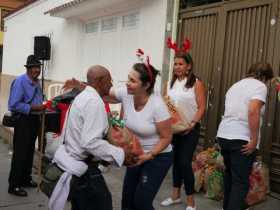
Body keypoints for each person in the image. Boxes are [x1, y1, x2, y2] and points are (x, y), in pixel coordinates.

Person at [49, 65, 136, 210]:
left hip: (77, 166)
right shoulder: (94, 102)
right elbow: (90, 142)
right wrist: (120, 154)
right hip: (85, 172)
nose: (111, 84)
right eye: (109, 80)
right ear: (100, 81)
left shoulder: (83, 96)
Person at [107, 62, 173, 210]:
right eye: (128, 78)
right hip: (136, 153)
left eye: (133, 81)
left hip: (158, 157)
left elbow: (166, 137)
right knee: (127, 201)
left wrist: (150, 155)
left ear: (146, 85)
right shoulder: (126, 93)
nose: (127, 84)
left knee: (141, 203)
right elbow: (104, 90)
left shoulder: (158, 106)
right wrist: (81, 86)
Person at [216, 62, 273, 210]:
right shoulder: (260, 86)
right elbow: (253, 110)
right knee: (240, 182)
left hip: (224, 135)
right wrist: (254, 139)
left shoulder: (235, 85)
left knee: (230, 176)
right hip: (241, 138)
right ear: (265, 77)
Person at [161, 52, 206, 210]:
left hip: (190, 129)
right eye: (175, 64)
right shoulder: (170, 84)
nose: (177, 67)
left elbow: (201, 107)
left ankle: (191, 202)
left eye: (180, 64)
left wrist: (193, 124)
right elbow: (168, 106)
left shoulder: (196, 83)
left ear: (189, 66)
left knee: (185, 162)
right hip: (175, 129)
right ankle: (175, 196)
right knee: (176, 162)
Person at [7, 55, 46, 196]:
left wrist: (44, 104)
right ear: (28, 69)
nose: (37, 70)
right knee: (20, 153)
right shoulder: (20, 82)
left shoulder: (36, 82)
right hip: (23, 120)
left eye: (38, 68)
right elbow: (14, 104)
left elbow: (38, 100)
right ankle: (14, 185)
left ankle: (25, 179)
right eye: (34, 68)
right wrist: (35, 108)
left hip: (34, 120)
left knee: (29, 152)